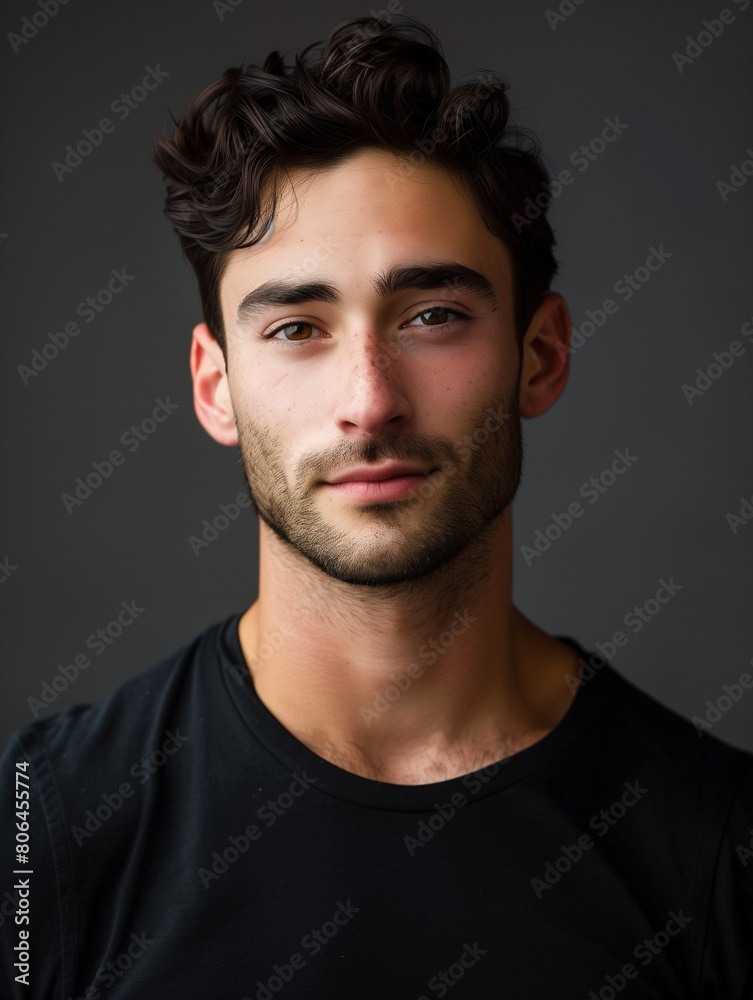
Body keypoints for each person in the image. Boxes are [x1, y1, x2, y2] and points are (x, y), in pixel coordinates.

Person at [2, 14, 752, 999]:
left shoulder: (718, 848)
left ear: (542, 353)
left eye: (432, 316)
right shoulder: (43, 827)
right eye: (298, 327)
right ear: (214, 385)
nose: (370, 400)